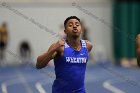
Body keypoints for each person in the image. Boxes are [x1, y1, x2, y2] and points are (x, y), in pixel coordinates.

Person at [36, 16, 93, 93]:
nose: (74, 26)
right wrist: (53, 49)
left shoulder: (88, 46)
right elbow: (38, 65)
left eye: (77, 24)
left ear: (81, 29)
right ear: (65, 31)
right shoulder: (60, 47)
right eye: (70, 25)